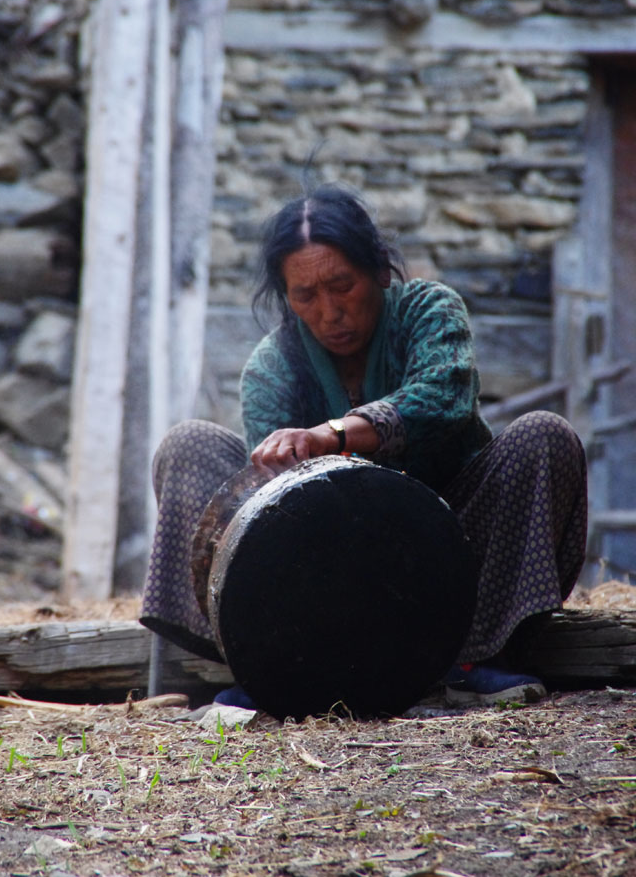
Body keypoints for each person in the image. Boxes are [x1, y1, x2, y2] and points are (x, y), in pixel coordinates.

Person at [140, 184, 587, 707]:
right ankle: (268, 662)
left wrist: (330, 434)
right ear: (286, 298)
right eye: (305, 296)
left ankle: (472, 661)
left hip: (453, 547)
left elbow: (444, 396)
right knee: (189, 444)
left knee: (544, 435)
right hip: (327, 571)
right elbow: (266, 517)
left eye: (342, 285)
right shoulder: (273, 365)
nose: (330, 311)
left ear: (378, 270)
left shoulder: (429, 311)